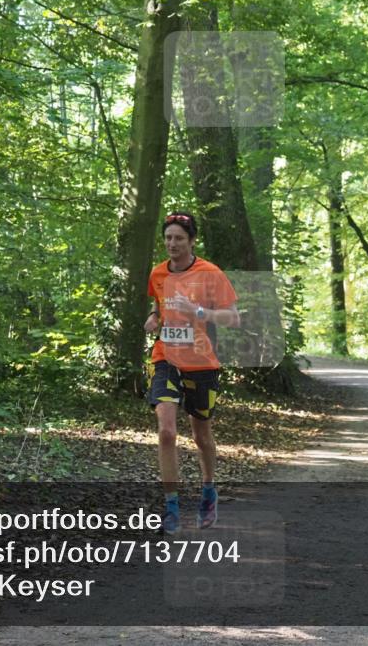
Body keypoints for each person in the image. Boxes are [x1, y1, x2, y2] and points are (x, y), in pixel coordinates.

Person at [144, 212, 239, 534]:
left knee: (201, 436)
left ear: (191, 241)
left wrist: (198, 311)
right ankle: (170, 506)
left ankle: (209, 491)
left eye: (179, 238)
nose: (172, 244)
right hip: (166, 358)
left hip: (201, 363)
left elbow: (233, 318)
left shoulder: (210, 273)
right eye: (168, 238)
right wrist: (154, 318)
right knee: (167, 431)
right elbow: (157, 304)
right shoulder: (157, 272)